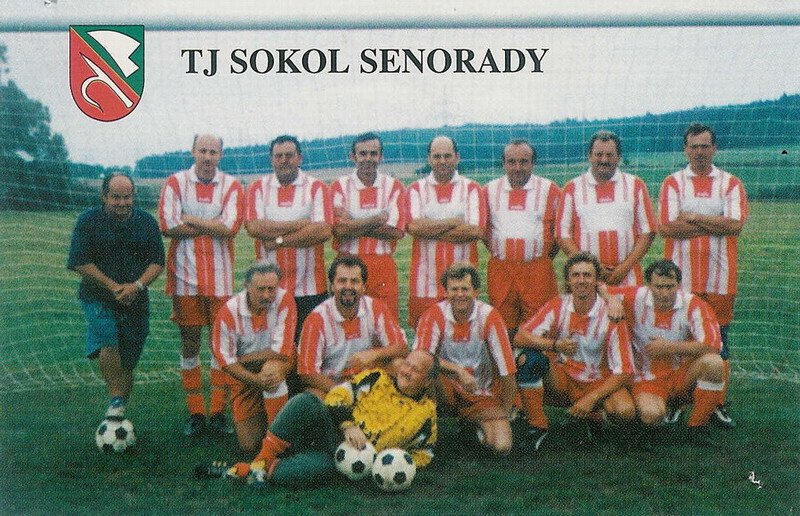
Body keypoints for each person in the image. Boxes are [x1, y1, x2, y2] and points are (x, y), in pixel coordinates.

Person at [195, 349, 438, 488]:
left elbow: (424, 453)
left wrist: (391, 463)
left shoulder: (426, 415)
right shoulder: (376, 378)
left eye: (415, 370)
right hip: (332, 431)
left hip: (344, 459)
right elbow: (338, 395)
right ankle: (261, 460)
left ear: (427, 381)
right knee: (307, 401)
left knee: (306, 473)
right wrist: (348, 425)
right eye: (407, 364)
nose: (406, 371)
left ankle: (241, 470)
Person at [658, 123, 748, 428]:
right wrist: (714, 223)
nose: (699, 152)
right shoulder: (673, 182)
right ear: (685, 149)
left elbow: (735, 225)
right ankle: (678, 401)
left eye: (705, 146)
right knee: (682, 337)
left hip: (720, 277)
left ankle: (717, 403)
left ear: (714, 148)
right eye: (694, 146)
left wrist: (693, 218)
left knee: (719, 339)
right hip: (680, 279)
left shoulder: (730, 183)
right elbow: (667, 227)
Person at [158, 133, 244, 437]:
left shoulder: (231, 185)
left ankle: (218, 411)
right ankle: (196, 412)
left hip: (221, 279)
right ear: (193, 152)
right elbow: (168, 225)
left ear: (221, 155)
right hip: (185, 277)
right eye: (203, 151)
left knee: (220, 345)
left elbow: (230, 228)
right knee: (190, 342)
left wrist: (191, 219)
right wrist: (213, 226)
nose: (208, 157)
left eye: (213, 152)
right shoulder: (175, 182)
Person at [514, 253, 636, 451]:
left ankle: (594, 417)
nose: (581, 280)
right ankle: (537, 426)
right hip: (563, 378)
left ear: (597, 281)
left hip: (597, 381)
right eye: (576, 275)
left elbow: (625, 371)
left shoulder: (611, 314)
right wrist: (554, 345)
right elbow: (520, 336)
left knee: (625, 411)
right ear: (568, 280)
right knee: (529, 359)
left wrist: (591, 399)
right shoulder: (558, 305)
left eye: (587, 275)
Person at [67, 173, 165, 419]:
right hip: (98, 297)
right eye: (116, 197)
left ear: (134, 196)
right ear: (104, 196)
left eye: (127, 197)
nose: (122, 203)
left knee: (128, 357)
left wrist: (136, 286)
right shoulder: (88, 221)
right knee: (109, 341)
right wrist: (113, 287)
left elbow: (157, 262)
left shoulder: (146, 222)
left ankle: (118, 409)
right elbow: (80, 262)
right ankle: (116, 401)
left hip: (136, 299)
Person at [609, 260, 724, 444]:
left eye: (670, 287)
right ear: (648, 285)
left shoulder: (693, 304)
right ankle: (642, 416)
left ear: (678, 285)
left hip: (681, 374)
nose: (664, 293)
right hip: (646, 378)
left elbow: (713, 345)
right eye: (659, 287)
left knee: (714, 363)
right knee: (651, 416)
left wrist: (669, 347)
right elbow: (599, 288)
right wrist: (611, 299)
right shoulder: (635, 296)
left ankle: (697, 427)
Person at [413, 263, 517, 455]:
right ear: (445, 292)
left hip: (479, 390)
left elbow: (508, 369)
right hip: (446, 389)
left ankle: (469, 425)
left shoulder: (490, 316)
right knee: (424, 370)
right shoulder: (433, 315)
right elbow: (420, 358)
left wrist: (504, 411)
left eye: (465, 289)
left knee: (501, 447)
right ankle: (427, 428)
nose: (459, 294)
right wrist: (457, 370)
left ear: (476, 292)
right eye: (454, 289)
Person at [244, 135, 333, 343]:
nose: (284, 160)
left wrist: (278, 242)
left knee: (308, 346)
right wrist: (301, 224)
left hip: (310, 287)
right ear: (272, 159)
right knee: (272, 346)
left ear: (300, 158)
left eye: (289, 155)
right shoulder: (257, 188)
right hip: (268, 288)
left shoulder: (317, 187)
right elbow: (254, 227)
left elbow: (323, 231)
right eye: (279, 156)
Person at [211, 263, 297, 453]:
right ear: (247, 287)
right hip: (247, 374)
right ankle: (275, 414)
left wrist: (241, 359)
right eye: (260, 289)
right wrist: (255, 380)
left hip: (281, 363)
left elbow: (281, 351)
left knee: (271, 372)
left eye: (271, 289)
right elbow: (225, 361)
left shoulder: (284, 300)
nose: (266, 295)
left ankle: (278, 441)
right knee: (249, 445)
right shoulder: (229, 312)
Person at [297, 255, 409, 398]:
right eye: (342, 281)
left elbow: (402, 347)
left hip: (369, 380)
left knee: (399, 365)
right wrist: (344, 392)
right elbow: (306, 372)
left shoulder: (376, 308)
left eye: (354, 281)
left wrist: (374, 354)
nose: (348, 286)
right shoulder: (316, 319)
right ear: (332, 286)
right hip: (332, 384)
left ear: (363, 287)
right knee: (312, 396)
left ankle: (403, 409)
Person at [405, 135, 486, 328]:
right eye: (437, 156)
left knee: (461, 334)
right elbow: (414, 227)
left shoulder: (472, 188)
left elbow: (475, 231)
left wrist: (429, 228)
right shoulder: (416, 189)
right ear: (429, 159)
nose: (442, 161)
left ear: (457, 157)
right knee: (425, 334)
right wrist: (453, 222)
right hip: (425, 283)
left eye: (447, 156)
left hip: (463, 283)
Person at [483, 139, 561, 339]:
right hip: (501, 269)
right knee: (503, 328)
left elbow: (558, 232)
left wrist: (539, 256)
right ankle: (507, 359)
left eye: (524, 161)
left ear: (533, 163)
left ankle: (535, 360)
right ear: (503, 163)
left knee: (539, 328)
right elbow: (484, 230)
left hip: (537, 269)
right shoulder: (489, 191)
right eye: (511, 162)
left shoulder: (550, 190)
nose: (517, 167)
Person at [556, 130, 656, 286]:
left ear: (618, 157)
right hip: (587, 278)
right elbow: (562, 234)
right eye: (599, 154)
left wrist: (624, 267)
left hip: (628, 275)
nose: (604, 160)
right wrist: (591, 267)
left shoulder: (635, 185)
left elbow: (648, 231)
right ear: (589, 156)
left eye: (610, 155)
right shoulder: (572, 188)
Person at [330, 132, 406, 320]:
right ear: (353, 156)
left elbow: (396, 231)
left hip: (382, 265)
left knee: (385, 321)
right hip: (347, 263)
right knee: (348, 320)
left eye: (373, 153)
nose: (368, 158)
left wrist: (353, 222)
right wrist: (376, 219)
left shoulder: (394, 186)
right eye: (362, 153)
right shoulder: (339, 187)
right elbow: (338, 230)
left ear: (381, 156)